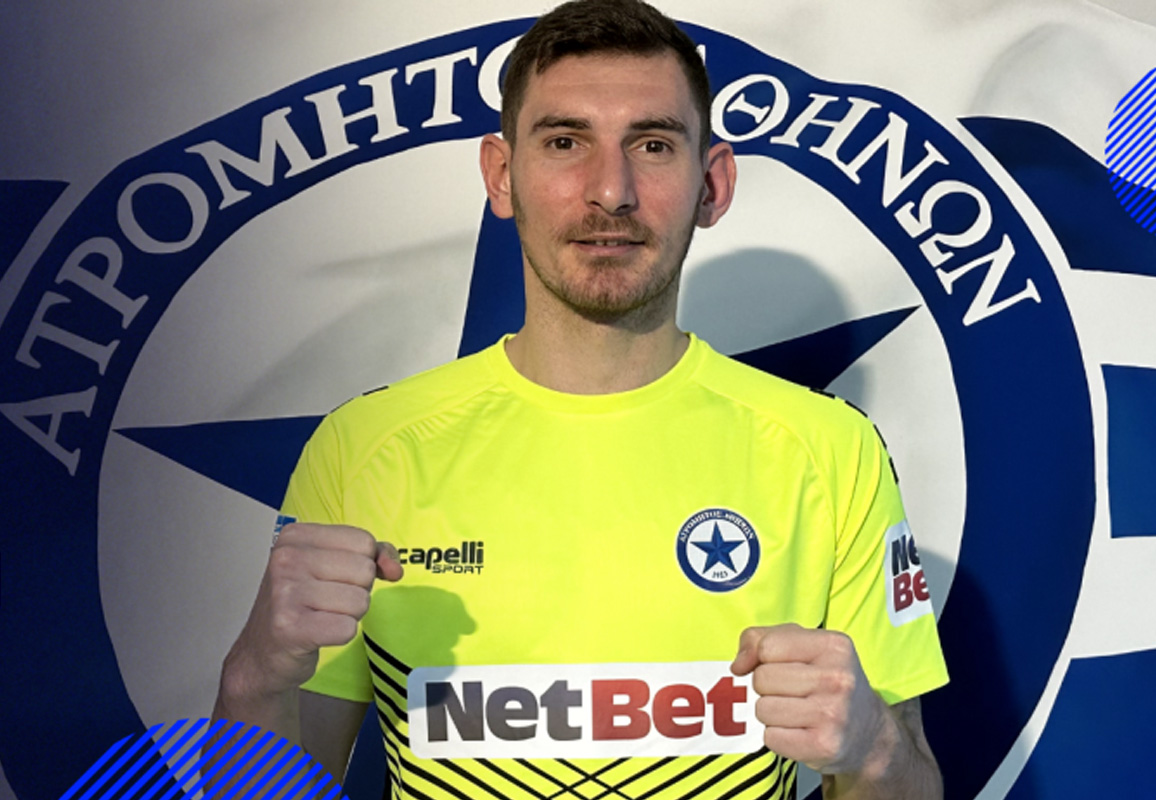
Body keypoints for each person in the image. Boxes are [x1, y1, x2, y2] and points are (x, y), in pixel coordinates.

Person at [213, 0, 949, 797]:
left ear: (712, 184)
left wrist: (874, 747)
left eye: (653, 144)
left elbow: (908, 774)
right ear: (502, 176)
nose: (610, 191)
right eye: (565, 142)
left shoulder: (829, 451)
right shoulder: (365, 448)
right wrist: (255, 674)